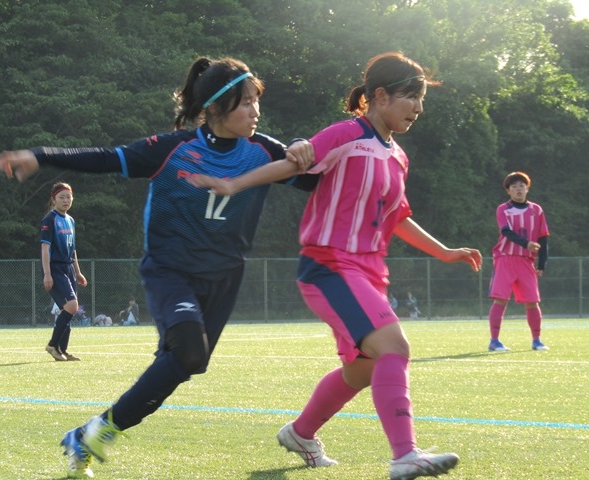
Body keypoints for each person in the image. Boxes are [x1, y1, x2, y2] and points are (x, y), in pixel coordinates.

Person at [0, 56, 312, 478]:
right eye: (244, 103)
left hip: (225, 276)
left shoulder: (265, 151)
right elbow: (105, 158)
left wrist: (310, 149)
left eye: (256, 101)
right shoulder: (172, 149)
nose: (255, 111)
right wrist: (40, 154)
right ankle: (92, 435)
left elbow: (319, 179)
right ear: (214, 109)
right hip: (170, 271)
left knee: (186, 365)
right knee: (190, 353)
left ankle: (91, 435)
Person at [189, 52, 482, 479]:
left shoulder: (398, 156)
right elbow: (292, 162)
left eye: (421, 99)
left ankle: (301, 434)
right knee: (395, 348)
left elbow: (397, 215)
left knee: (362, 369)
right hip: (329, 266)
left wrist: (445, 252)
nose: (419, 108)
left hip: (365, 274)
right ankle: (405, 456)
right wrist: (234, 183)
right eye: (411, 97)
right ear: (379, 96)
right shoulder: (346, 134)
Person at [488, 171, 549, 352]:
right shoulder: (503, 209)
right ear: (508, 191)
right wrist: (526, 243)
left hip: (526, 261)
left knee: (532, 301)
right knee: (500, 300)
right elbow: (506, 231)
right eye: (514, 186)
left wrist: (541, 264)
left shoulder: (536, 210)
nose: (518, 189)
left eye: (521, 186)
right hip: (505, 258)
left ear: (527, 188)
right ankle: (494, 341)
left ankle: (537, 340)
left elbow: (543, 237)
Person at [40, 182, 88, 362]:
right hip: (55, 268)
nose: (66, 200)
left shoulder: (70, 220)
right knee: (71, 306)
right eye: (62, 197)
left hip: (67, 268)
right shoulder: (49, 219)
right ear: (54, 200)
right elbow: (45, 248)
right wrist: (47, 273)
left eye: (69, 197)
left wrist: (78, 272)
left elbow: (72, 249)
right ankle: (53, 345)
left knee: (68, 309)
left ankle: (62, 350)